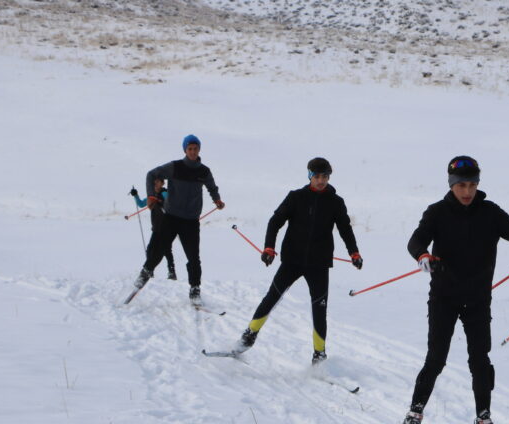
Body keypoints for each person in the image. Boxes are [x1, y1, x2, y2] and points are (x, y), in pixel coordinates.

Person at [399, 155, 509, 424]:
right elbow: (416, 240)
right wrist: (423, 255)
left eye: (472, 185)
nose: (467, 191)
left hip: (477, 300)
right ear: (451, 185)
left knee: (480, 361)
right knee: (435, 359)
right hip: (444, 298)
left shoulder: (489, 212)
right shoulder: (437, 212)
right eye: (462, 185)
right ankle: (412, 420)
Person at [232, 157, 362, 363]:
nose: (321, 181)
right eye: (317, 176)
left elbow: (345, 229)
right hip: (292, 260)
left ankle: (319, 354)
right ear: (310, 176)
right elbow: (275, 221)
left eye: (325, 177)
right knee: (271, 298)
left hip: (319, 264)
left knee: (319, 309)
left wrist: (354, 253)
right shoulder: (296, 197)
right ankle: (248, 335)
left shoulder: (336, 202)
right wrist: (269, 247)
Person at [132, 134, 224, 306]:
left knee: (193, 257)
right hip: (171, 217)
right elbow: (151, 175)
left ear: (199, 150)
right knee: (158, 249)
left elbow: (212, 186)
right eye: (189, 148)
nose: (193, 152)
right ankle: (145, 273)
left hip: (190, 220)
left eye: (195, 148)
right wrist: (151, 195)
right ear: (185, 150)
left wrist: (217, 199)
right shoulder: (175, 167)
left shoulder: (204, 171)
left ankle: (195, 289)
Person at [130, 178, 176, 280]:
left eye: (158, 182)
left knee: (166, 249)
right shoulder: (151, 195)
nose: (155, 184)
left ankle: (171, 272)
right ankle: (151, 270)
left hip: (166, 226)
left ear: (163, 183)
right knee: (151, 249)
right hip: (156, 227)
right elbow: (141, 204)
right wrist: (135, 195)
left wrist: (160, 203)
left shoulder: (164, 193)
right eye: (154, 182)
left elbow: (170, 204)